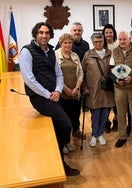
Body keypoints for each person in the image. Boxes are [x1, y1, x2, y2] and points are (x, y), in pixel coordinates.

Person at [19, 22, 80, 176]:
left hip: (54, 95)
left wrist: (58, 91)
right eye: (41, 32)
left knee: (59, 127)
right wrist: (48, 94)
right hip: (40, 98)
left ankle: (57, 162)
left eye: (47, 33)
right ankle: (57, 157)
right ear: (35, 34)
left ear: (50, 35)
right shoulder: (27, 51)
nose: (44, 36)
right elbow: (29, 79)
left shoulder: (52, 51)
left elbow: (58, 74)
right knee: (66, 125)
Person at [110, 31, 132, 149]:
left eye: (124, 39)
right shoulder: (114, 52)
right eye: (120, 39)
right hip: (119, 88)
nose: (122, 41)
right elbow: (111, 70)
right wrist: (116, 80)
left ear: (129, 39)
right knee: (120, 113)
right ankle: (122, 136)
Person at [82, 33, 115, 147]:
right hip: (93, 90)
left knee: (105, 114)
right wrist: (84, 87)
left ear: (103, 41)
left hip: (107, 90)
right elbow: (82, 72)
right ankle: (94, 135)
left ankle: (100, 134)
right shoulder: (88, 55)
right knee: (95, 115)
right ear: (92, 42)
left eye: (100, 41)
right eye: (96, 42)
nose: (98, 44)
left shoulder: (110, 54)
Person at [55, 33, 83, 154]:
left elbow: (81, 73)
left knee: (73, 117)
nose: (68, 45)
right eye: (65, 43)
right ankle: (63, 143)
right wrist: (65, 88)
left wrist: (76, 88)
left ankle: (68, 142)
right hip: (62, 94)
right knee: (63, 121)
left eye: (70, 43)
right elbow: (54, 75)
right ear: (61, 43)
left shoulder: (75, 55)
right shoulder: (55, 55)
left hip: (75, 93)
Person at [102, 24, 119, 133]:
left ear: (114, 33)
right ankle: (106, 122)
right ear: (104, 34)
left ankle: (116, 121)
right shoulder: (101, 46)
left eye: (110, 32)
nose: (108, 34)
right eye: (106, 32)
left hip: (117, 76)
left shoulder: (118, 45)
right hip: (105, 77)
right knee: (107, 101)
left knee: (117, 102)